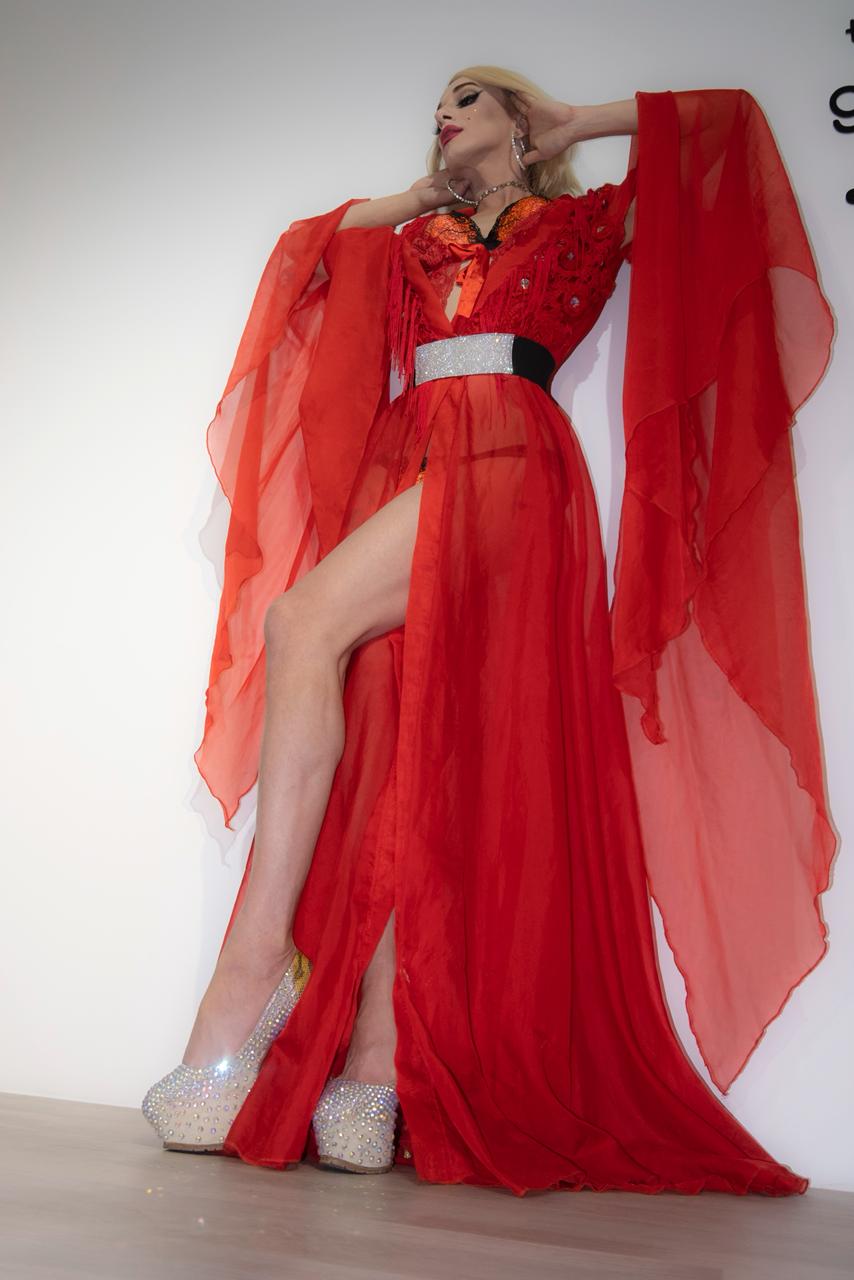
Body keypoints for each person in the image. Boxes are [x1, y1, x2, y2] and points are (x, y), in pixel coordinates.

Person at [142, 65, 838, 1194]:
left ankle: (256, 961)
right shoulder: (414, 239)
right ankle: (376, 1066)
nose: (445, 111)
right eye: (439, 104)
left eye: (472, 98)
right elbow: (306, 254)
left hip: (510, 463)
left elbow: (723, 131)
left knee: (301, 621)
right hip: (411, 462)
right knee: (410, 756)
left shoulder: (582, 223)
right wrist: (422, 192)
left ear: (518, 119)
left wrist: (575, 123)